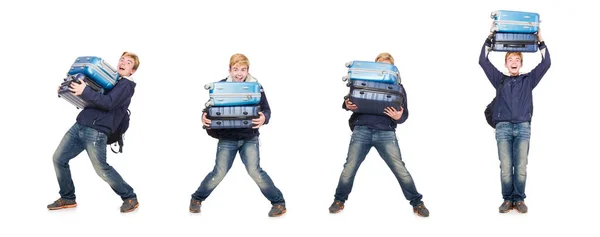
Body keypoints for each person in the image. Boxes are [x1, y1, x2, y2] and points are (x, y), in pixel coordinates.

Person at [329, 53, 429, 217]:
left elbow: (404, 115)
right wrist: (346, 104)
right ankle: (339, 200)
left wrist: (399, 117)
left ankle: (417, 203)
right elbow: (350, 100)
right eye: (380, 66)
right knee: (349, 168)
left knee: (400, 169)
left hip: (386, 133)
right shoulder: (362, 81)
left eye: (386, 67)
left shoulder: (399, 87)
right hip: (361, 129)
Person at [190, 53, 286, 217]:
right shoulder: (219, 86)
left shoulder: (256, 86)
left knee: (255, 172)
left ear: (248, 70)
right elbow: (210, 109)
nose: (239, 73)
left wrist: (264, 117)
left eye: (243, 69)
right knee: (218, 172)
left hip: (250, 138)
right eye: (235, 69)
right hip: (227, 138)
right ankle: (197, 199)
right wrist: (203, 116)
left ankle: (278, 203)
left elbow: (267, 110)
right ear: (230, 70)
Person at [48, 52, 140, 213]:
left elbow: (108, 103)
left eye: (129, 62)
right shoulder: (110, 81)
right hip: (80, 125)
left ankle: (130, 197)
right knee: (59, 159)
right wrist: (68, 88)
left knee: (102, 169)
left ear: (132, 71)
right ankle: (68, 197)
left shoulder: (126, 85)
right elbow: (90, 98)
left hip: (97, 131)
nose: (123, 62)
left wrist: (85, 91)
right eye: (122, 59)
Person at [479, 26, 551, 213]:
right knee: (505, 167)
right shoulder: (499, 79)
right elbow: (483, 61)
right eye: (510, 59)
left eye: (517, 59)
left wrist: (540, 40)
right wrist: (490, 36)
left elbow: (546, 63)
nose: (514, 62)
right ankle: (507, 199)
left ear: (521, 63)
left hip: (523, 127)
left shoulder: (528, 80)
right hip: (503, 128)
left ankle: (519, 200)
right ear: (505, 63)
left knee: (520, 166)